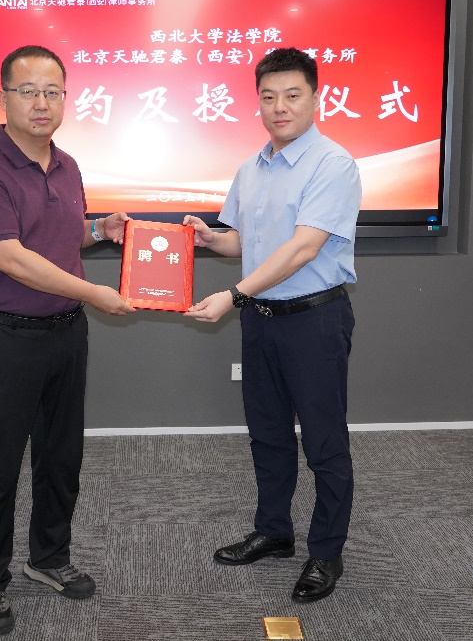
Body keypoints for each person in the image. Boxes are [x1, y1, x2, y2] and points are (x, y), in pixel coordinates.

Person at [0, 44, 135, 636]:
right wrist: (95, 292)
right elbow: (12, 258)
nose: (41, 103)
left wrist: (98, 231)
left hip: (65, 334)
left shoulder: (68, 166)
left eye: (52, 92)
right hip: (4, 338)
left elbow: (57, 237)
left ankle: (49, 558)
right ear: (2, 98)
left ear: (65, 99)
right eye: (27, 90)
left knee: (60, 458)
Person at [183, 47, 361, 603]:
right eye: (268, 96)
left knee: (325, 442)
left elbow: (304, 248)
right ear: (257, 102)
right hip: (261, 321)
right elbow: (245, 240)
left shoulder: (333, 164)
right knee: (267, 434)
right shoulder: (251, 167)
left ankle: (326, 552)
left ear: (316, 98)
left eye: (292, 94)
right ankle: (274, 531)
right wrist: (211, 240)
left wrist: (234, 294)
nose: (280, 106)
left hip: (314, 320)